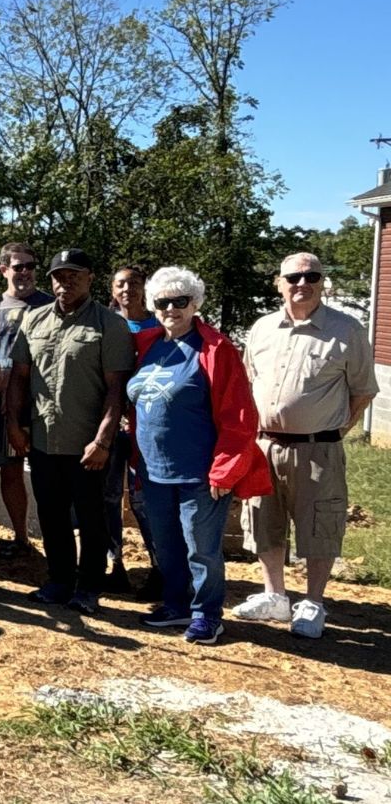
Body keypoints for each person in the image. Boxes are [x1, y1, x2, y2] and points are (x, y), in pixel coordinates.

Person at [234, 252, 377, 639]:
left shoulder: (346, 330)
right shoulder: (262, 329)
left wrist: (331, 431)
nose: (302, 283)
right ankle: (275, 595)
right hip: (265, 447)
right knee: (264, 520)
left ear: (322, 282)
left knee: (319, 525)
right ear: (278, 283)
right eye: (293, 277)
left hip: (318, 450)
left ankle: (313, 602)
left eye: (311, 276)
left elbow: (363, 392)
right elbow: (248, 382)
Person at [129, 267, 270, 644]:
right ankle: (176, 604)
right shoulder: (148, 343)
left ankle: (207, 614)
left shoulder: (215, 349)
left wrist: (225, 470)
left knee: (201, 548)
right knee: (166, 543)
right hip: (153, 469)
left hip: (199, 471)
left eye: (180, 301)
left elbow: (239, 415)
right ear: (153, 306)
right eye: (162, 302)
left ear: (195, 304)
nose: (171, 309)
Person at [7, 249, 135, 615]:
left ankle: (89, 586)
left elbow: (116, 390)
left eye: (74, 275)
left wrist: (103, 440)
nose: (66, 282)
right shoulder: (34, 320)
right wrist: (14, 424)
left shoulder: (109, 325)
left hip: (88, 443)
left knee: (92, 517)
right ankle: (59, 579)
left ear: (90, 278)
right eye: (60, 275)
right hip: (44, 438)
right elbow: (19, 377)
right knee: (51, 514)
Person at [0, 243, 53, 554]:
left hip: (37, 405)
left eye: (30, 266)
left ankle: (23, 538)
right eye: (18, 266)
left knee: (19, 473)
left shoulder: (50, 307)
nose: (25, 273)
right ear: (3, 270)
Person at [104, 264, 160, 594]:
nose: (128, 290)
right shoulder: (107, 325)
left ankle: (160, 566)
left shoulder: (161, 325)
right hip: (112, 425)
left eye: (135, 283)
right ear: (113, 290)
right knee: (109, 497)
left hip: (148, 426)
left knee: (144, 499)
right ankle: (115, 564)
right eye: (121, 284)